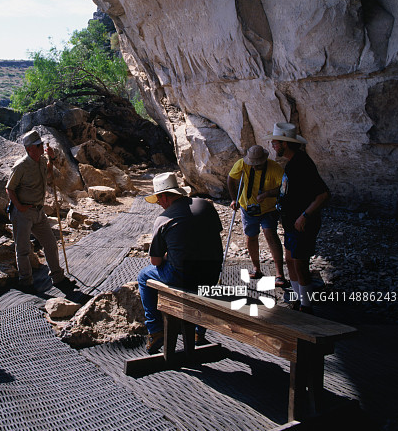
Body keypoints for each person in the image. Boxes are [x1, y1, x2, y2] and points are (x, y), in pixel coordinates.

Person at [138, 172, 223, 354]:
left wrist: (170, 255)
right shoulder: (205, 206)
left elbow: (155, 260)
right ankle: (198, 332)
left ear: (164, 197)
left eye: (158, 200)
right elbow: (213, 236)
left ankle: (155, 330)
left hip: (184, 276)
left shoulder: (163, 219)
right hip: (212, 273)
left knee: (144, 276)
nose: (159, 204)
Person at [264, 122, 330, 313]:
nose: (273, 146)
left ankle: (306, 307)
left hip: (302, 224)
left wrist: (304, 216)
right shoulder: (294, 164)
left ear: (285, 144)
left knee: (300, 264)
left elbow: (323, 194)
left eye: (275, 143)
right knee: (291, 259)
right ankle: (298, 299)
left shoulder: (302, 164)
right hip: (292, 223)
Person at [6, 129, 66, 291]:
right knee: (23, 249)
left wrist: (52, 158)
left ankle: (58, 277)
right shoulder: (20, 166)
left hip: (39, 211)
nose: (42, 147)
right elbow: (10, 188)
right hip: (23, 212)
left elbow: (47, 171)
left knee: (51, 244)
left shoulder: (41, 161)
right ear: (30, 149)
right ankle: (26, 281)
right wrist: (19, 207)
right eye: (38, 145)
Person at [227, 145, 286, 287]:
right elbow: (231, 179)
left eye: (257, 164)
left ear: (263, 160)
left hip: (268, 208)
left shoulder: (275, 168)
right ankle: (256, 269)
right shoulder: (242, 164)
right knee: (251, 236)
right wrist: (234, 199)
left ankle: (279, 274)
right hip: (248, 208)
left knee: (270, 235)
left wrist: (266, 194)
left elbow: (283, 187)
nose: (253, 167)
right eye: (252, 164)